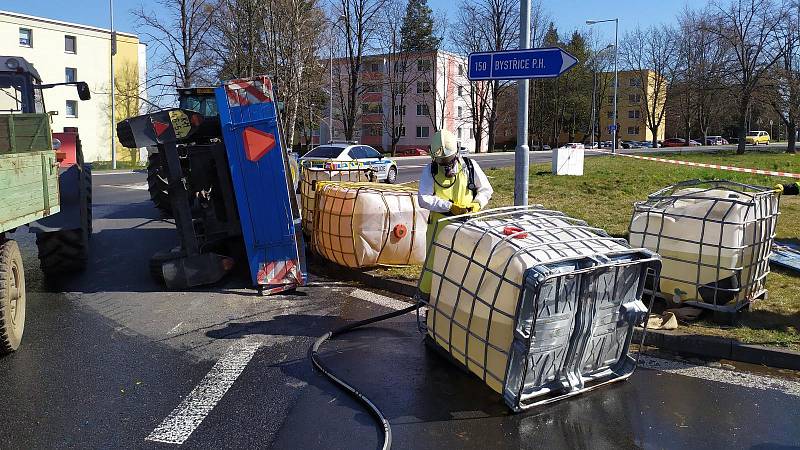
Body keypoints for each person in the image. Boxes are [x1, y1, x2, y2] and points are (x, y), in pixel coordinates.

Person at [417, 130, 493, 298]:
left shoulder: (470, 166)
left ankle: (460, 306)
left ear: (457, 152)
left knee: (465, 267)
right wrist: (449, 207)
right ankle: (430, 306)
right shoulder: (430, 171)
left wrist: (476, 204)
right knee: (435, 267)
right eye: (441, 161)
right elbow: (423, 199)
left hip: (467, 226)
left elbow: (486, 189)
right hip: (439, 229)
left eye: (448, 160)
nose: (445, 165)